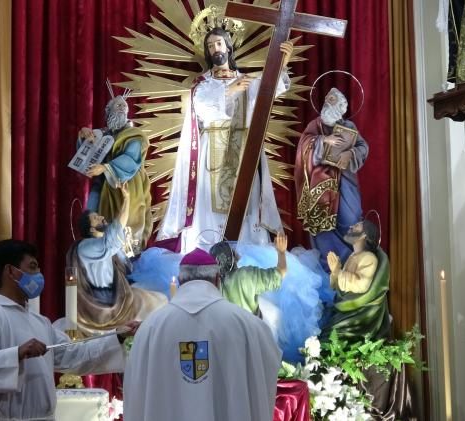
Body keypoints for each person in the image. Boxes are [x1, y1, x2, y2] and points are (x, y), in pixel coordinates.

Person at [0, 239, 138, 420]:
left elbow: (74, 355)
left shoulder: (39, 322)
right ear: (11, 271)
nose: (39, 274)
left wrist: (117, 336)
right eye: (32, 267)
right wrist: (16, 355)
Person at [157, 23, 294, 253]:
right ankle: (207, 256)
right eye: (210, 46)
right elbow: (201, 107)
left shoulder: (247, 80)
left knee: (245, 206)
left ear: (229, 47)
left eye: (219, 43)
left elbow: (270, 90)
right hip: (212, 154)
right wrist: (230, 90)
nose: (215, 49)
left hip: (243, 155)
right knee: (208, 206)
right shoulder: (203, 84)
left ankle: (244, 259)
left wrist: (284, 63)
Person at [123, 248, 281, 421]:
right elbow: (268, 364)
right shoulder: (248, 325)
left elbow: (136, 391)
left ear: (181, 280)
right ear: (217, 279)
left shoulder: (151, 328)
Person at [68, 184, 166, 336]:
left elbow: (123, 260)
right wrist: (126, 199)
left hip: (118, 298)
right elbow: (114, 236)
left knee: (161, 301)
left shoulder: (103, 247)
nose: (101, 217)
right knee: (158, 304)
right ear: (92, 229)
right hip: (101, 306)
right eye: (95, 218)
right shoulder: (86, 247)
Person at [295, 87, 369, 271]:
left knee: (350, 218)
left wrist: (350, 154)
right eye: (328, 101)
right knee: (322, 227)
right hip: (320, 184)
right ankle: (329, 269)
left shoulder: (349, 127)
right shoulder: (315, 125)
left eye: (334, 102)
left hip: (344, 181)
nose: (329, 104)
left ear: (342, 107)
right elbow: (303, 147)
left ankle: (353, 266)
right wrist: (323, 141)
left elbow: (363, 147)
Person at [78, 95, 153, 248]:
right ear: (108, 111)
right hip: (104, 187)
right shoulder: (103, 134)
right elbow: (86, 156)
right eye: (117, 105)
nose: (122, 108)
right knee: (95, 221)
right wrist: (84, 135)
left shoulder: (134, 135)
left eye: (124, 106)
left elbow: (131, 158)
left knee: (127, 230)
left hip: (127, 184)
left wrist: (106, 167)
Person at [322, 220, 390, 343]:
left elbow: (361, 285)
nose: (351, 227)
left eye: (356, 226)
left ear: (364, 235)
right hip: (345, 308)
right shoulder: (353, 256)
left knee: (328, 339)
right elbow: (340, 286)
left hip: (357, 314)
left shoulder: (369, 258)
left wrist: (338, 271)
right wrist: (335, 272)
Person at [210, 231, 288, 315]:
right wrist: (281, 252)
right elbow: (280, 273)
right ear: (231, 257)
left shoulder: (210, 283)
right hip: (251, 325)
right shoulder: (247, 275)